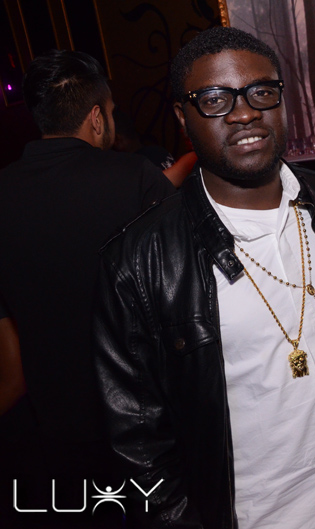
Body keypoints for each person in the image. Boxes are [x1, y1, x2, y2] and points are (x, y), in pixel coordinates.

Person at [93, 27, 315, 529]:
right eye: (214, 99)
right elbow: (138, 444)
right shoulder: (140, 261)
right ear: (182, 117)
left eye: (260, 92)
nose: (244, 113)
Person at [0, 49, 175, 526]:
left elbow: (8, 347)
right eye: (112, 111)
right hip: (146, 427)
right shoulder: (135, 178)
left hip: (55, 437)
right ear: (96, 118)